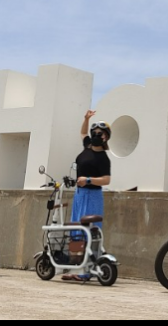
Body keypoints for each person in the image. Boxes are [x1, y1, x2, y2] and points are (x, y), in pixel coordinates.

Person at [62, 110, 112, 282]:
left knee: (90, 232)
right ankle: (75, 267)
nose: (98, 135)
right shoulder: (86, 147)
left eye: (102, 134)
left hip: (92, 196)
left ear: (106, 138)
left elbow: (106, 180)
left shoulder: (103, 158)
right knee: (76, 230)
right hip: (79, 194)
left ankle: (87, 271)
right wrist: (86, 118)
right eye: (96, 133)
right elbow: (82, 132)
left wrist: (89, 179)